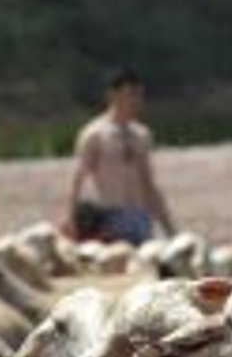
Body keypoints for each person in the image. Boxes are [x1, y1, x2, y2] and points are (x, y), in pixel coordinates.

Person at [63, 68, 176, 244]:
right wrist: (70, 218)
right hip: (111, 216)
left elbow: (148, 183)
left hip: (140, 217)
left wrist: (169, 228)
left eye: (138, 95)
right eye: (129, 94)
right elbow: (78, 179)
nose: (135, 101)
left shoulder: (142, 135)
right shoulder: (95, 134)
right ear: (113, 95)